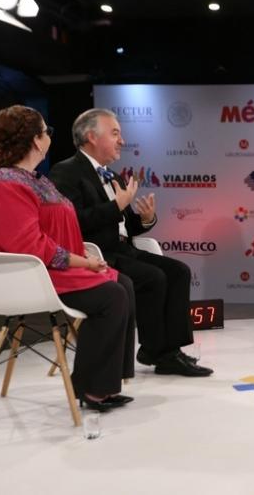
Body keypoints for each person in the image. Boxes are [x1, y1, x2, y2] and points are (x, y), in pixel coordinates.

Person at [0, 105, 135, 412]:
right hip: (22, 275)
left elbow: (50, 230)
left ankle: (106, 384)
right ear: (35, 140)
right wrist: (83, 262)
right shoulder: (5, 182)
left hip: (44, 267)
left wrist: (82, 254)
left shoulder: (34, 178)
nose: (49, 138)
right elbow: (28, 245)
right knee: (111, 295)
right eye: (46, 132)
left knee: (122, 284)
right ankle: (92, 389)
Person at [48, 108, 212, 377]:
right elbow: (73, 222)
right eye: (115, 133)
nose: (122, 141)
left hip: (123, 249)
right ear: (91, 136)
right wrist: (116, 206)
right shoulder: (65, 172)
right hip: (95, 255)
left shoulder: (113, 176)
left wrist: (145, 219)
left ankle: (171, 350)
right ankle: (157, 351)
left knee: (179, 271)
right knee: (153, 277)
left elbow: (123, 225)